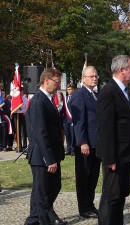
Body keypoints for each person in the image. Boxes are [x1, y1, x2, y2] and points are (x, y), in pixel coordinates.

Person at [96, 55, 130, 225]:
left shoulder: (124, 91)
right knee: (111, 196)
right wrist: (110, 158)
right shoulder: (109, 91)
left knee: (121, 194)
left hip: (125, 154)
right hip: (115, 155)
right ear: (122, 70)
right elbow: (105, 128)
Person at [24, 68, 67, 225]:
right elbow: (40, 132)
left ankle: (36, 219)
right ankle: (39, 220)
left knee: (53, 187)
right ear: (46, 80)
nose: (58, 85)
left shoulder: (47, 99)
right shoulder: (38, 101)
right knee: (42, 193)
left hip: (50, 154)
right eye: (56, 82)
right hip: (41, 156)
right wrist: (49, 159)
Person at [69, 66, 101, 219]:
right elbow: (79, 121)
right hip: (85, 143)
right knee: (84, 176)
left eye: (96, 76)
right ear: (83, 78)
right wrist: (83, 142)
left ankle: (90, 204)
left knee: (93, 176)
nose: (94, 78)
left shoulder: (95, 94)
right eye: (91, 76)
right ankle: (84, 207)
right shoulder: (79, 95)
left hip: (96, 143)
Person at [63, 84, 76, 156]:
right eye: (68, 89)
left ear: (73, 90)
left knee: (73, 135)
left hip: (72, 119)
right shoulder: (65, 98)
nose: (69, 91)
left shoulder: (75, 97)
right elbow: (63, 109)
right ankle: (68, 149)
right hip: (66, 120)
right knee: (67, 135)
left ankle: (73, 149)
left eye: (70, 89)